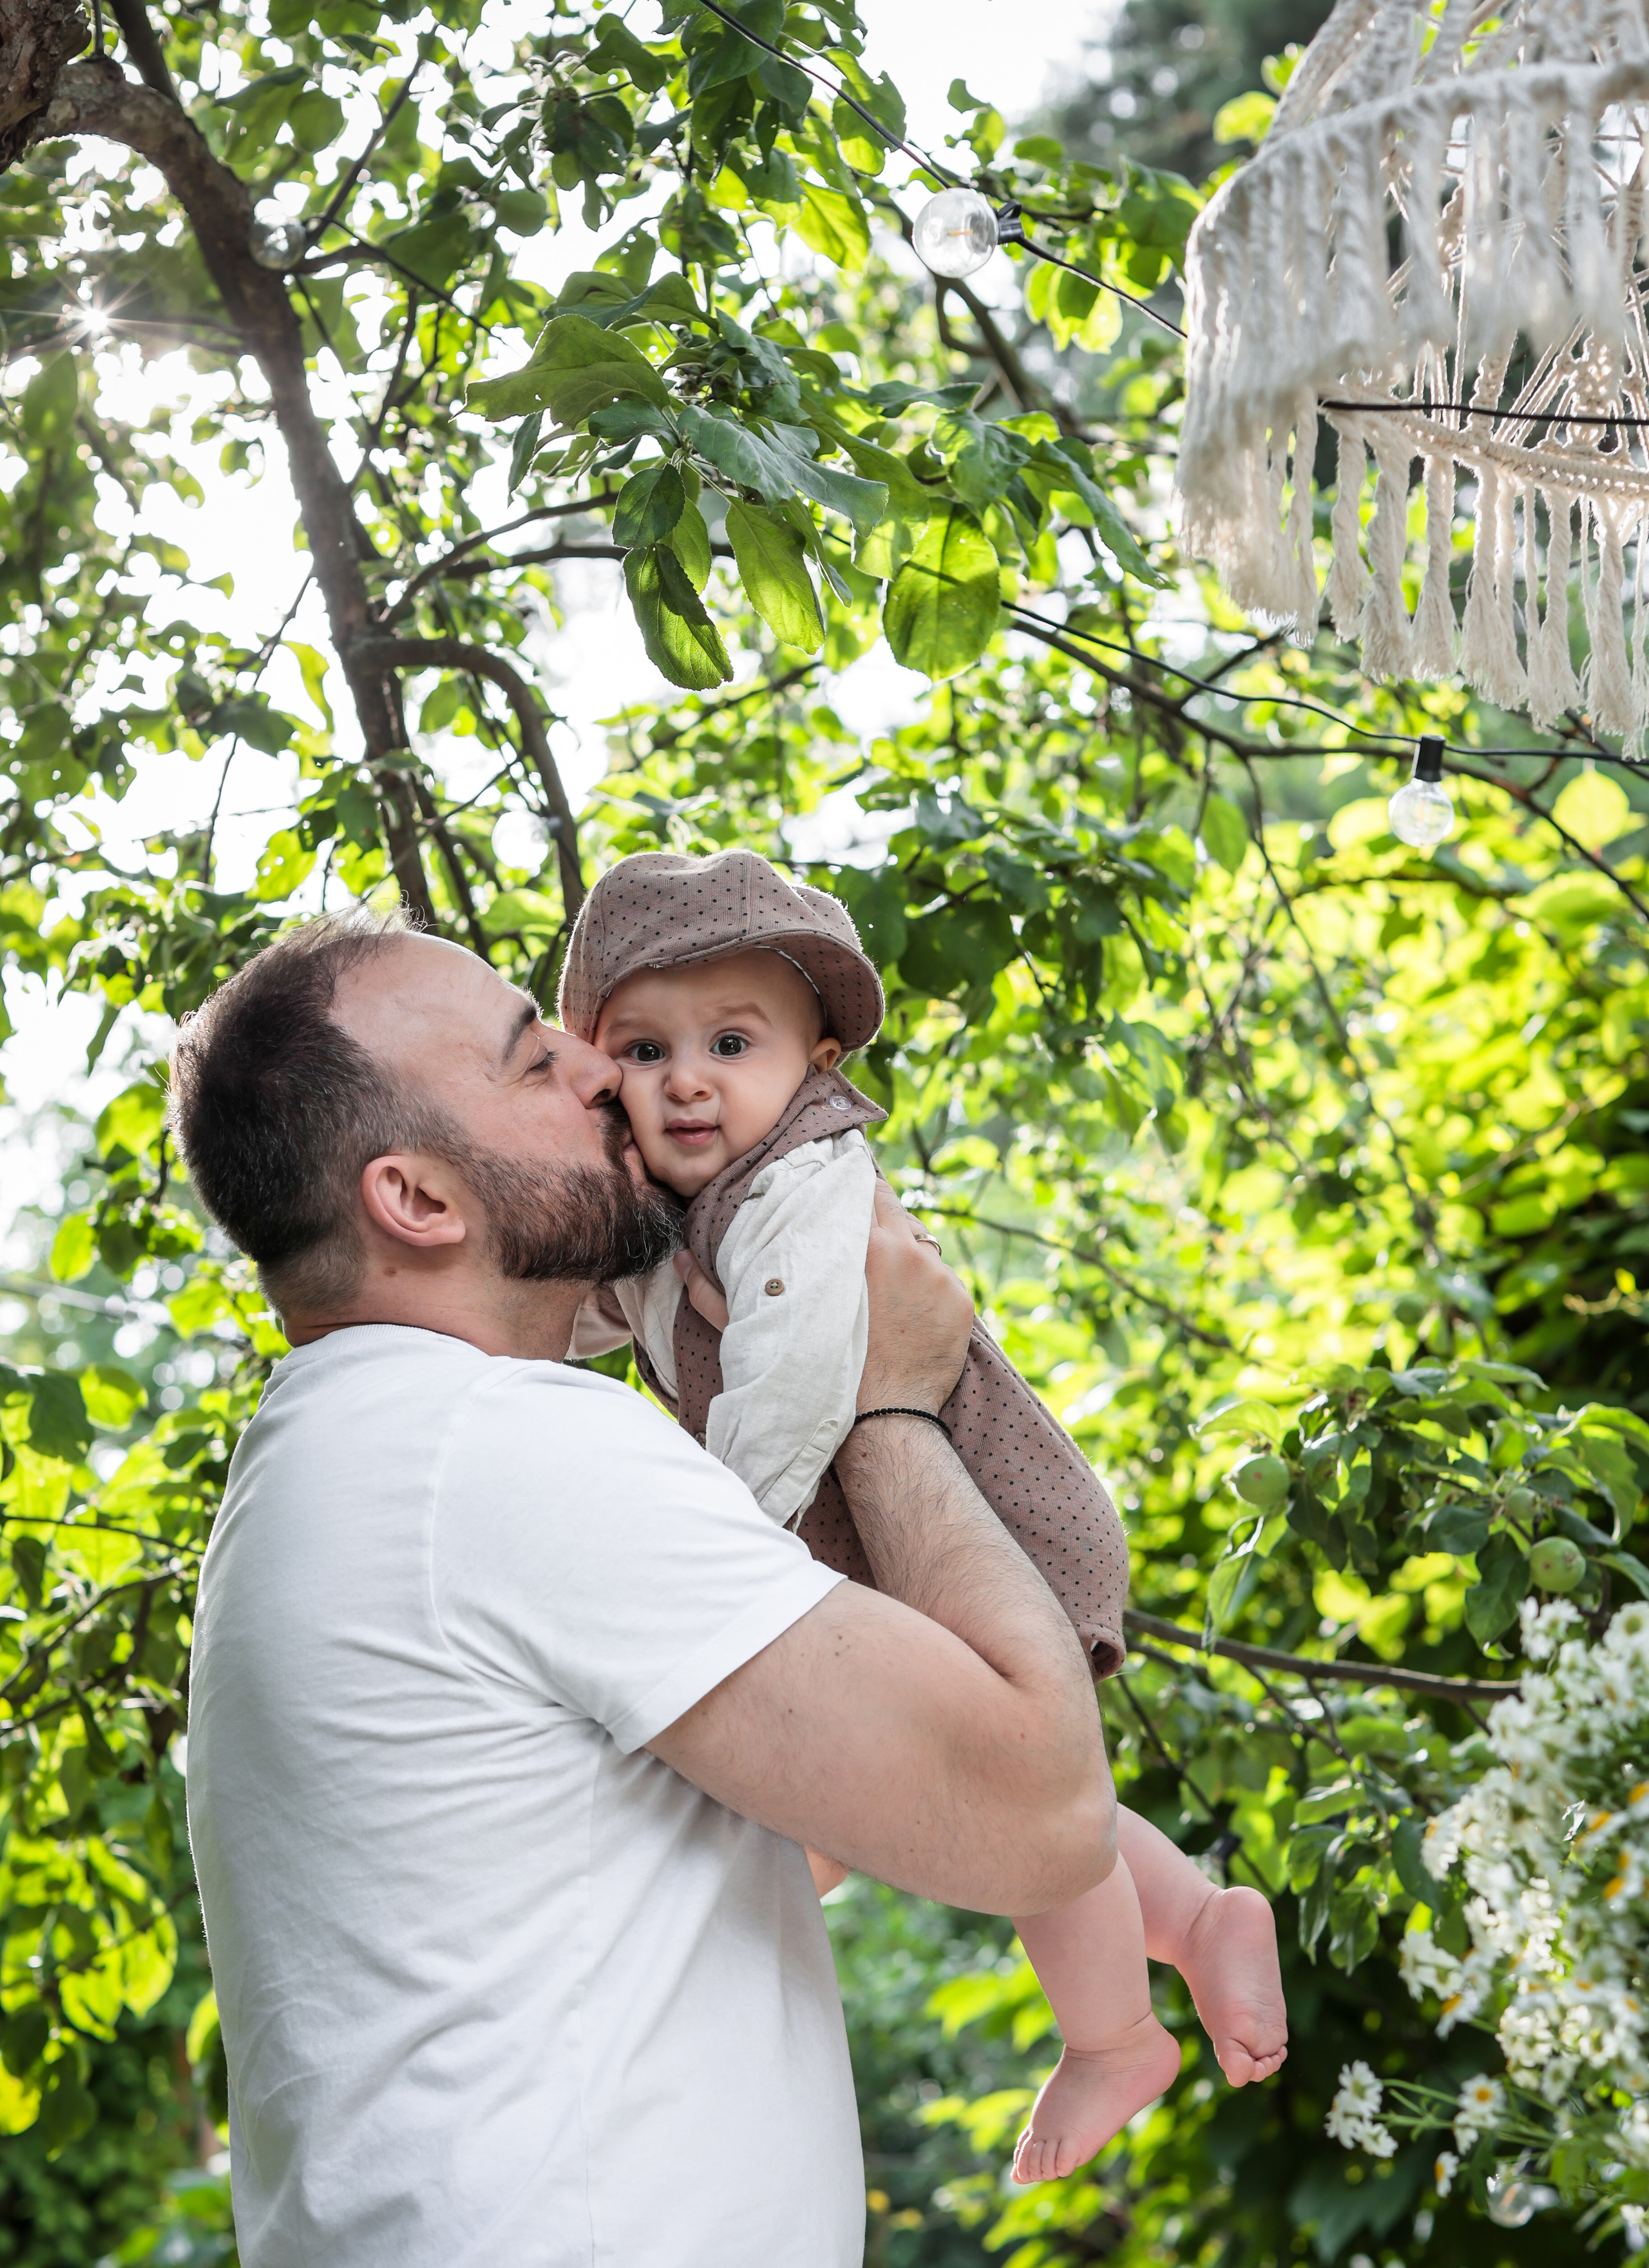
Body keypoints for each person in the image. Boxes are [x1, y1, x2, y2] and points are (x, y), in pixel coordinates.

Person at [167, 909, 1113, 2268]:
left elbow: (807, 1839)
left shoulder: (349, 1461)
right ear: (418, 1202)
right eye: (530, 1059)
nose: (600, 1067)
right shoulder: (497, 1448)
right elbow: (1041, 1813)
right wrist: (886, 1398)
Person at [559, 849, 1288, 2185]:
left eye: (730, 1043)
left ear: (818, 1060)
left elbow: (789, 1375)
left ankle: (1114, 2038)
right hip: (875, 1536)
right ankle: (1192, 1919)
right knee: (997, 1785)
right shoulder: (676, 1215)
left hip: (976, 1514)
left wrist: (721, 1553)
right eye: (644, 1050)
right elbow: (597, 1314)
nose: (687, 1081)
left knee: (1010, 1800)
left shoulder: (796, 1184)